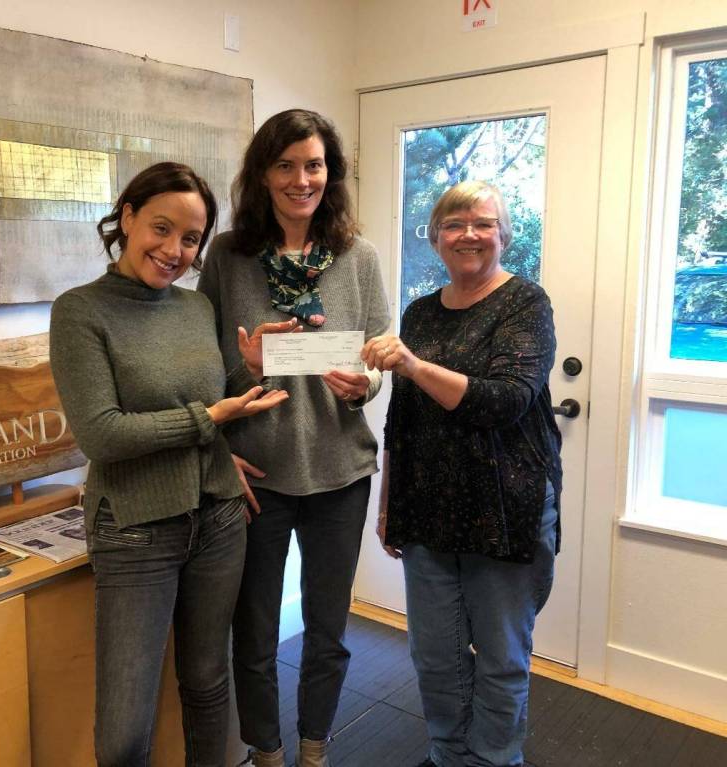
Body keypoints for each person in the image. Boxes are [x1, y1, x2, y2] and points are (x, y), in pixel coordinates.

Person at [49, 162, 295, 767]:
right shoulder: (80, 311)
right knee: (125, 730)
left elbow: (233, 395)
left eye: (190, 240)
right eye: (162, 228)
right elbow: (102, 436)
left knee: (209, 686)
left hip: (217, 520)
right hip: (134, 529)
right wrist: (208, 420)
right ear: (127, 217)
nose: (174, 251)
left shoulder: (194, 310)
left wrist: (255, 370)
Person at [197, 109, 390, 767]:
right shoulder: (227, 257)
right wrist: (244, 368)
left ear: (329, 172)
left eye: (313, 164)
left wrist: (363, 387)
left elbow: (376, 366)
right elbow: (203, 368)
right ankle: (267, 753)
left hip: (340, 470)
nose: (300, 179)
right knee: (252, 632)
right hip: (257, 472)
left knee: (329, 632)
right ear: (263, 173)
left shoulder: (358, 257)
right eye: (285, 165)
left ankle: (314, 750)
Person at [361, 180, 562, 767]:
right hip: (426, 506)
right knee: (436, 654)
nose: (468, 234)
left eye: (482, 222)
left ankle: (495, 759)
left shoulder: (526, 303)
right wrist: (388, 505)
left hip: (507, 504)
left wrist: (415, 364)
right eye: (453, 224)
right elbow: (403, 416)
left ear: (504, 234)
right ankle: (449, 754)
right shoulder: (420, 312)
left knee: (500, 654)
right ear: (435, 237)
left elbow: (504, 401)